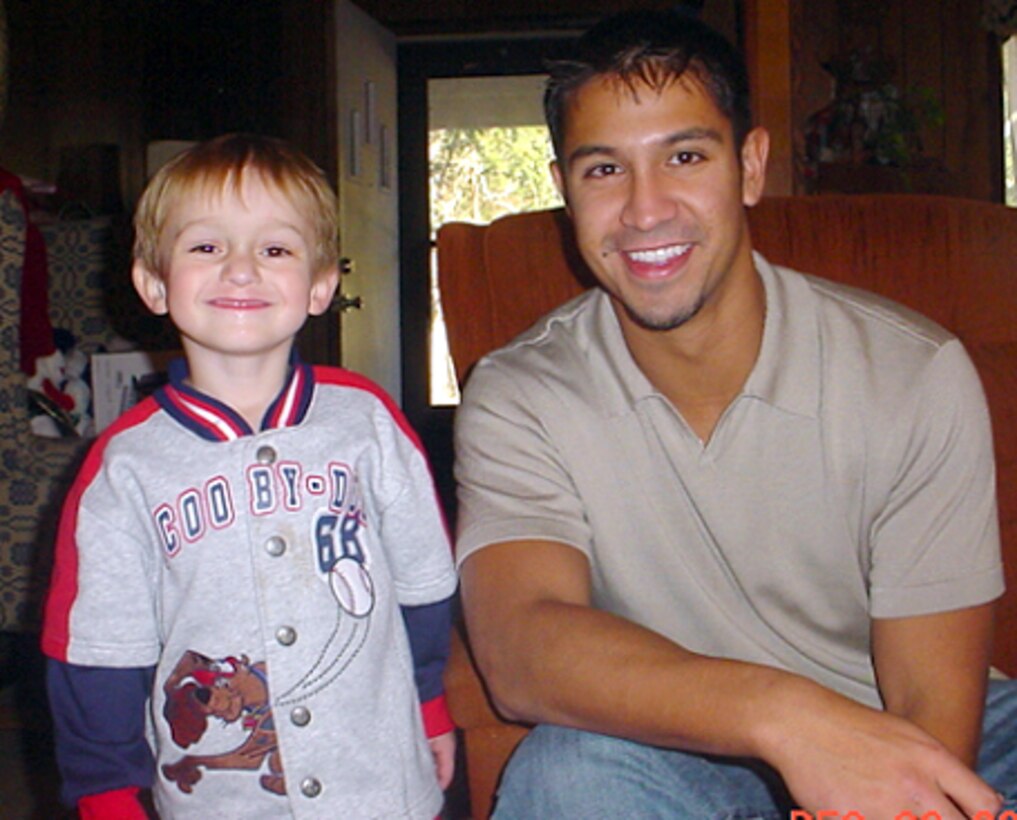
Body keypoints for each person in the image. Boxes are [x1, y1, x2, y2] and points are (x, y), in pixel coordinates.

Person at [453, 10, 1017, 819]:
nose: (645, 211)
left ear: (749, 166)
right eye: (603, 170)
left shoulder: (910, 374)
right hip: (675, 743)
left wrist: (849, 761)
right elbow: (521, 643)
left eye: (684, 156)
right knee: (566, 774)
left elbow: (933, 706)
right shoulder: (520, 394)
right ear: (563, 192)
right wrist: (784, 718)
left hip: (906, 730)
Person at [41, 134, 458, 819]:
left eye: (275, 249)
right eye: (207, 247)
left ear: (320, 285)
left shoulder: (367, 422)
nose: (241, 270)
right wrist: (107, 795)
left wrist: (430, 701)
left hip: (380, 783)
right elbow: (96, 652)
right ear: (152, 282)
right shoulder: (124, 469)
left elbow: (424, 582)